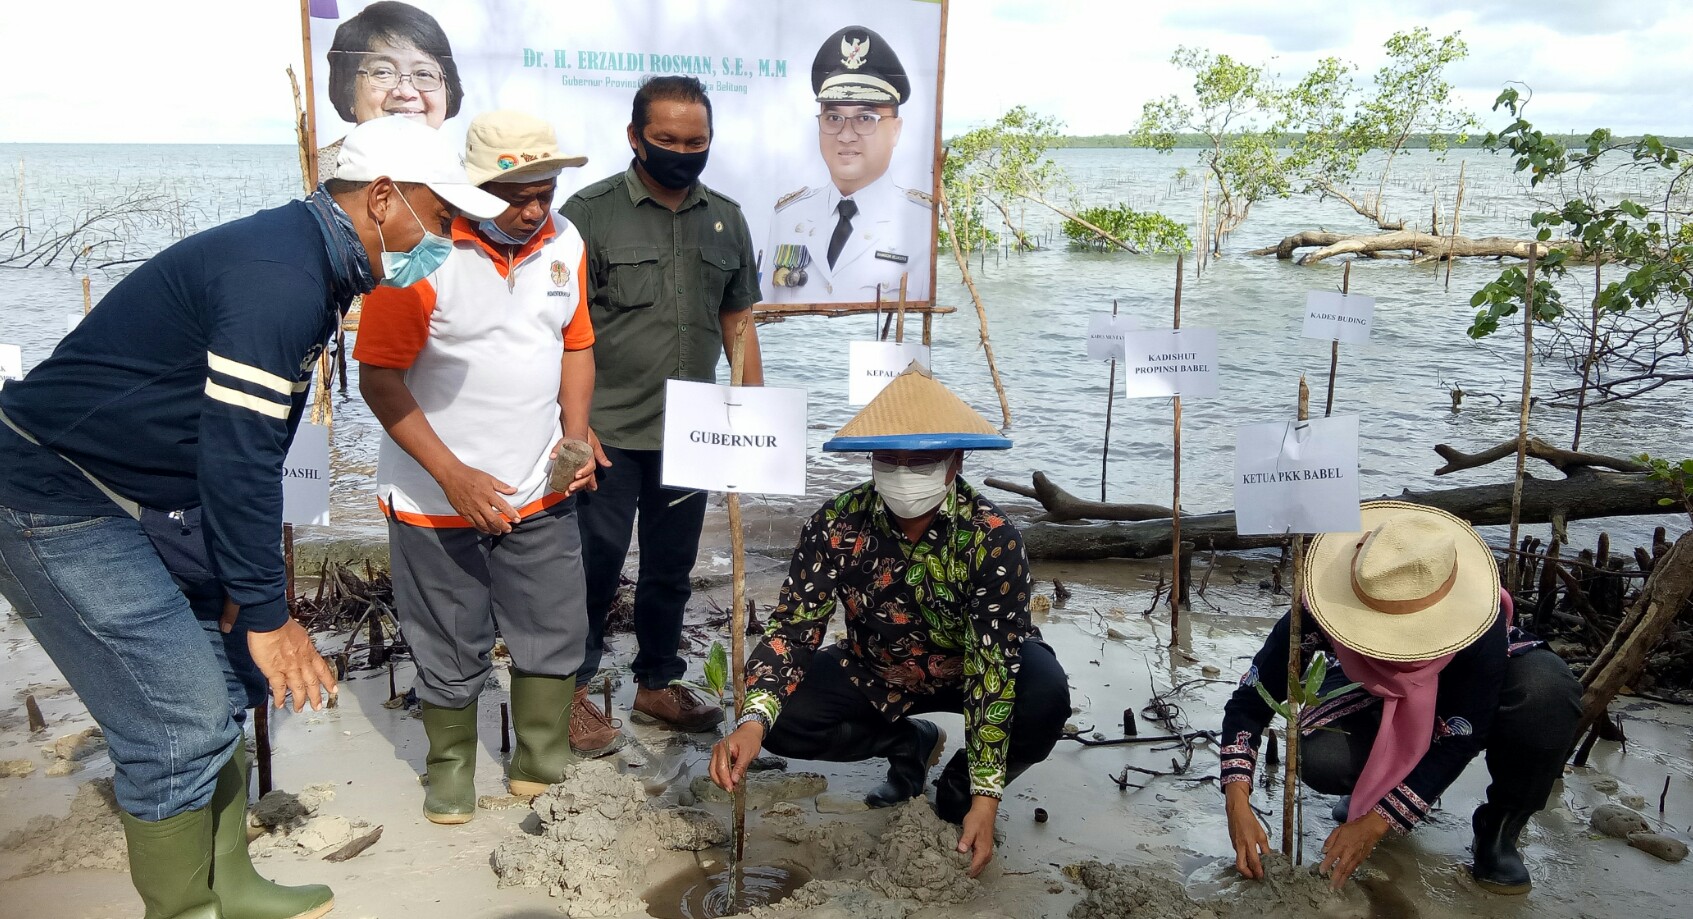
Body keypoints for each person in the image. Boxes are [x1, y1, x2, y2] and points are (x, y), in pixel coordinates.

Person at [0, 116, 503, 919]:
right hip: (57, 490)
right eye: (442, 217)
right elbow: (238, 454)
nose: (452, 236)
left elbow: (243, 448)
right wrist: (269, 613)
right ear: (382, 198)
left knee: (228, 680)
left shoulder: (316, 263)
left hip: (155, 492)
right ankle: (183, 908)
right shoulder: (283, 277)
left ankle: (230, 882)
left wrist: (244, 589)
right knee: (177, 721)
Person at [708, 365, 1070, 879]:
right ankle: (907, 742)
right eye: (889, 460)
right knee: (774, 715)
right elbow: (794, 628)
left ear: (954, 462)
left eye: (920, 461)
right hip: (877, 669)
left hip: (976, 667)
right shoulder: (835, 524)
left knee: (1046, 696)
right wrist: (751, 723)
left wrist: (986, 799)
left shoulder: (993, 538)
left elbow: (993, 669)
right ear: (872, 462)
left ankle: (959, 787)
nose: (903, 473)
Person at [356, 110, 598, 822]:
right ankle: (451, 768)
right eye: (511, 195)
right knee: (446, 636)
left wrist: (575, 439)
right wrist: (454, 475)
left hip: (538, 484)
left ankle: (540, 761)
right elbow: (379, 379)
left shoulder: (566, 239)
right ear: (471, 185)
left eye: (544, 191)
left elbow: (576, 343)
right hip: (433, 493)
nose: (530, 210)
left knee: (553, 628)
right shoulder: (421, 251)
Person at [1220, 501, 1582, 894]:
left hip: (1469, 683)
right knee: (1322, 756)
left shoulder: (1480, 621)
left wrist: (1376, 824)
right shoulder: (1320, 607)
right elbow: (1251, 698)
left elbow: (1463, 736)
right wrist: (1237, 799)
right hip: (1369, 686)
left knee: (1546, 693)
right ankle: (1365, 789)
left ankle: (1499, 830)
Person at [561, 75, 763, 744]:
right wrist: (573, 427)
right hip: (607, 430)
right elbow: (558, 329)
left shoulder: (726, 218)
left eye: (696, 141)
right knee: (593, 563)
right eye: (666, 139)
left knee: (670, 569)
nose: (683, 150)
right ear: (634, 138)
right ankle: (573, 689)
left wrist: (750, 424)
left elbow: (738, 324)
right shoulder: (588, 213)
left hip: (695, 434)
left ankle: (655, 682)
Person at [763, 25, 933, 305]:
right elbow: (766, 315)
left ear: (895, 131)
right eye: (833, 118)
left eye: (865, 119)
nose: (846, 135)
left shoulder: (922, 225)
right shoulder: (788, 216)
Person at [320, 1, 464, 178]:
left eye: (424, 74)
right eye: (383, 72)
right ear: (347, 90)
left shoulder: (466, 175)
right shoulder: (320, 174)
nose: (405, 92)